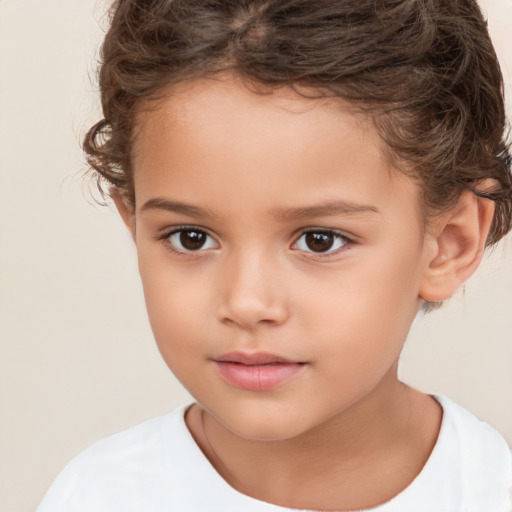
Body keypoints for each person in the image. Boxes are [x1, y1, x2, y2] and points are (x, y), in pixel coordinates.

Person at [37, 0, 512, 510]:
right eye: (191, 237)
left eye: (319, 240)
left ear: (449, 244)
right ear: (134, 226)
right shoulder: (96, 496)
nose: (246, 302)